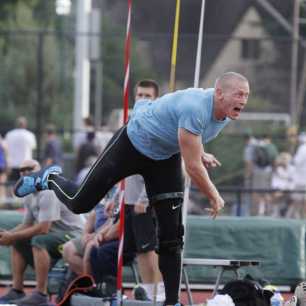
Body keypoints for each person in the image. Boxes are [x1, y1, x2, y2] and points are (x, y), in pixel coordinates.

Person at [14, 71, 250, 306]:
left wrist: (200, 153)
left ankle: (171, 302)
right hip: (133, 143)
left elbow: (188, 142)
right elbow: (192, 166)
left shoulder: (225, 115)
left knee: (172, 237)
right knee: (79, 202)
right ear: (219, 93)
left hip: (164, 158)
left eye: (246, 96)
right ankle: (50, 179)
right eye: (239, 94)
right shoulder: (196, 108)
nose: (243, 101)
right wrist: (214, 195)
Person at [0, 160, 83, 306]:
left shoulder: (48, 191)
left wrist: (11, 236)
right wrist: (7, 235)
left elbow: (43, 228)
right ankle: (17, 289)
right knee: (18, 240)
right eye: (22, 169)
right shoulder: (27, 192)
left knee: (39, 240)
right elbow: (26, 224)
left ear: (39, 169)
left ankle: (41, 293)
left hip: (75, 235)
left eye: (29, 168)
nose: (25, 172)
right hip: (55, 236)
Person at [123, 79, 165, 301]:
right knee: (140, 249)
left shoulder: (155, 127)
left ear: (155, 99)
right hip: (129, 197)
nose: (142, 99)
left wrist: (144, 198)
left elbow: (154, 166)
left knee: (150, 249)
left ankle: (159, 291)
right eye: (139, 95)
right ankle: (149, 291)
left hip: (145, 199)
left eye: (147, 96)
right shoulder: (132, 123)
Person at [5, 117, 37, 182]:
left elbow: (6, 149)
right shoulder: (30, 135)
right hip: (26, 165)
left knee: (12, 185)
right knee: (25, 186)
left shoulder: (9, 134)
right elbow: (33, 148)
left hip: (12, 165)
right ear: (25, 124)